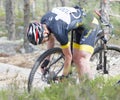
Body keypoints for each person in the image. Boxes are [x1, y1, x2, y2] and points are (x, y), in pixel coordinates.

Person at [27, 6, 99, 80]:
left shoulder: (59, 31)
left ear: (45, 32)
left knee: (81, 59)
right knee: (76, 58)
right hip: (79, 24)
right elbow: (51, 39)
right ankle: (82, 87)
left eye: (43, 40)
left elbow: (68, 57)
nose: (44, 42)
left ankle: (91, 88)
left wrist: (64, 76)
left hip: (90, 23)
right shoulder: (44, 22)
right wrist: (47, 60)